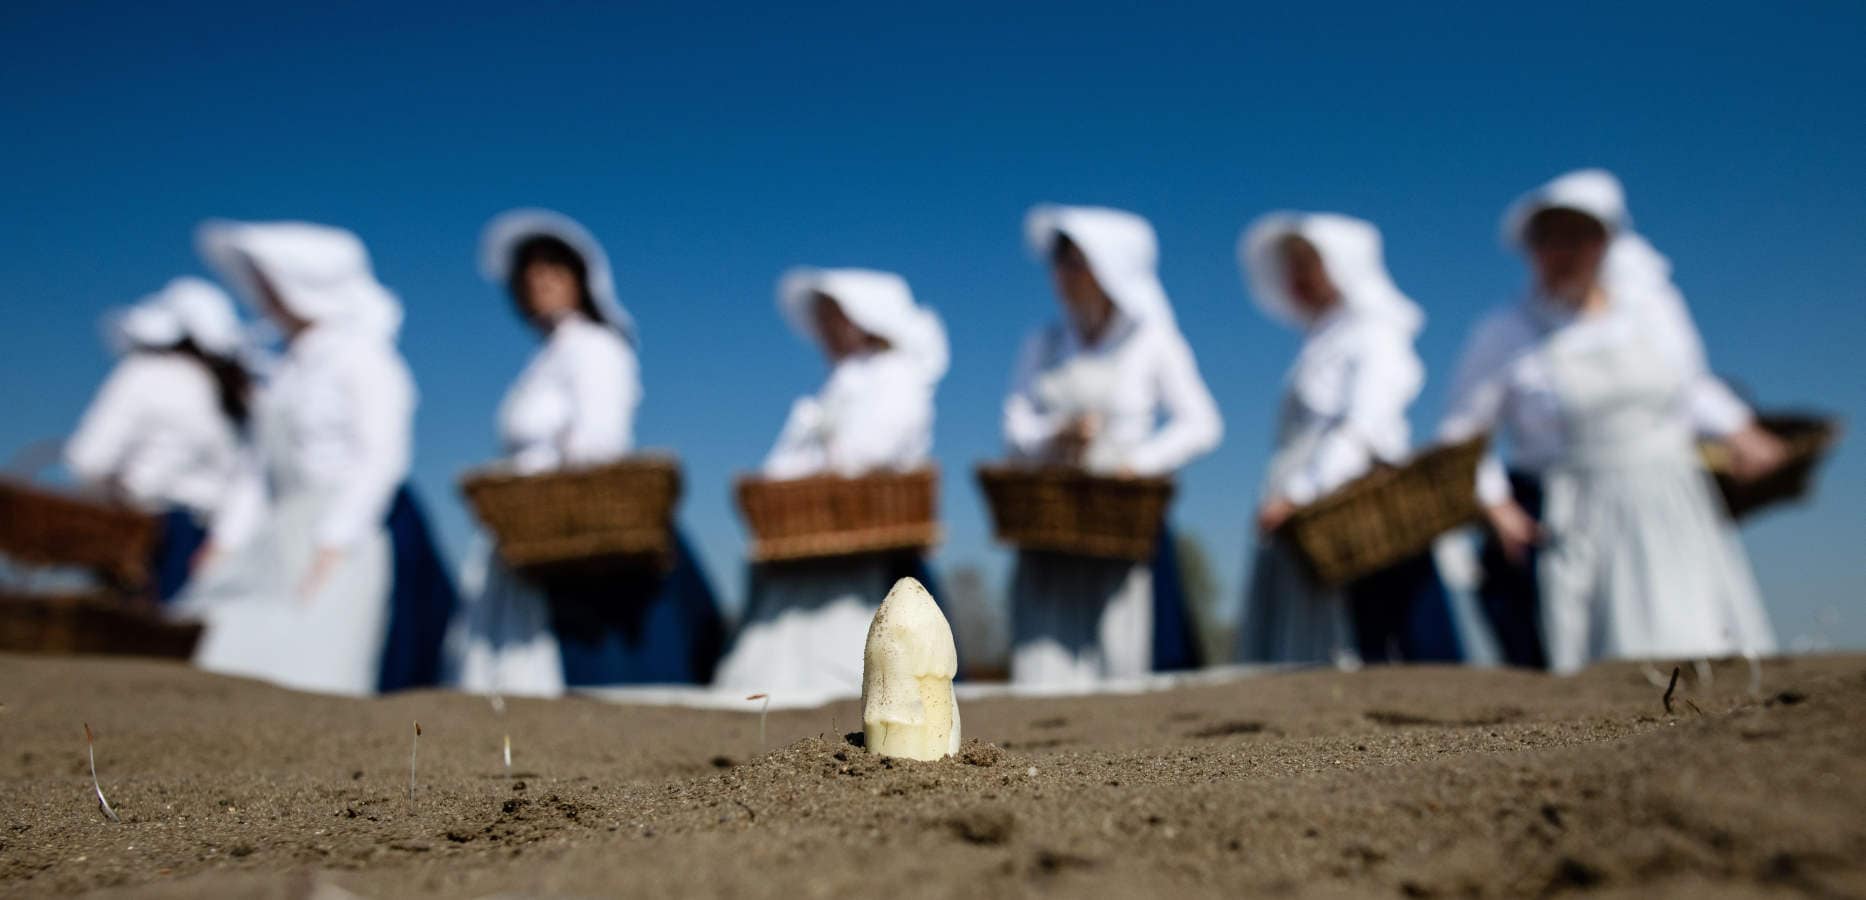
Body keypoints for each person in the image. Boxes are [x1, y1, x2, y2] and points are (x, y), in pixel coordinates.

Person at [1439, 169, 1781, 673]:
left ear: (1604, 242)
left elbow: (1689, 385)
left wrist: (1740, 429)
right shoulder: (1506, 332)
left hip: (1673, 499)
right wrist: (1497, 505)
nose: (1561, 252)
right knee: (1605, 653)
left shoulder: (1651, 307)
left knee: (1698, 626)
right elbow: (1462, 435)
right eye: (1548, 240)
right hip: (1579, 511)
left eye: (1576, 237)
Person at [174, 220, 458, 696]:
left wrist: (334, 540)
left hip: (348, 529)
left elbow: (381, 456)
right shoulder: (285, 369)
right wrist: (225, 540)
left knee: (327, 656)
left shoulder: (363, 357)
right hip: (280, 533)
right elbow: (258, 471)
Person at [447, 209, 723, 695]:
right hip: (529, 531)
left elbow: (601, 441)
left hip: (579, 527)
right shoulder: (543, 359)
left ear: (581, 279)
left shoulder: (595, 346)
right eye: (529, 275)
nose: (539, 283)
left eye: (552, 271)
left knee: (602, 678)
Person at [1003, 204, 1223, 687]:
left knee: (1130, 648)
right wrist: (1053, 434)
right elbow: (1014, 428)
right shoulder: (1043, 344)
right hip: (1052, 516)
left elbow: (1202, 422)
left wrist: (1135, 463)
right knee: (1047, 649)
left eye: (1077, 262)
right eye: (1059, 263)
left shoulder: (1150, 340)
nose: (1064, 275)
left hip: (1122, 519)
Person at [1232, 212, 1464, 666]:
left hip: (1356, 508)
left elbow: (1363, 426)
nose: (1298, 276)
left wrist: (1301, 494)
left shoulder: (1375, 333)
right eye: (1292, 264)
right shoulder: (1320, 341)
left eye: (1309, 263)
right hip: (1312, 510)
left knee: (1387, 635)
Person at [712, 267, 948, 698]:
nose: (828, 329)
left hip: (865, 539)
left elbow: (869, 451)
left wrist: (825, 460)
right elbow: (787, 463)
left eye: (836, 315)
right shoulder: (836, 385)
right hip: (816, 532)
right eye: (823, 318)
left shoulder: (894, 374)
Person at [65, 277, 250, 602]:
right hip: (214, 543)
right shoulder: (229, 394)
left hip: (144, 535)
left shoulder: (146, 373)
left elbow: (89, 458)